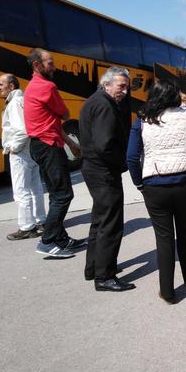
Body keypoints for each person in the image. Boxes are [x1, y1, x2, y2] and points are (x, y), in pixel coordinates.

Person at [127, 80, 186, 304]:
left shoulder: (142, 120)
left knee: (164, 238)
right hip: (185, 180)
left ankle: (168, 291)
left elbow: (132, 157)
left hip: (154, 183)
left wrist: (139, 182)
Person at [23, 48, 84, 258]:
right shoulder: (46, 86)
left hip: (41, 145)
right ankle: (47, 241)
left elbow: (52, 123)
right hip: (48, 147)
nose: (54, 67)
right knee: (64, 194)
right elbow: (65, 115)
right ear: (37, 65)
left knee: (56, 194)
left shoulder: (32, 86)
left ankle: (60, 238)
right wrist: (69, 141)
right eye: (50, 63)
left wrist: (70, 143)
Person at [79, 67, 135, 292]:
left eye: (126, 87)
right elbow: (105, 145)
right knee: (110, 223)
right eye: (121, 86)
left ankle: (94, 267)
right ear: (107, 84)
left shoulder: (97, 101)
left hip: (95, 168)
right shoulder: (104, 105)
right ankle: (104, 276)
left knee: (100, 220)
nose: (124, 91)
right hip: (103, 170)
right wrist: (123, 163)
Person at [0, 73, 46, 241]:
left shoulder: (14, 103)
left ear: (11, 86)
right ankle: (40, 221)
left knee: (21, 191)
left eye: (1, 84)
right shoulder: (24, 100)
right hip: (31, 150)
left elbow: (22, 130)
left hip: (21, 152)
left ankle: (27, 227)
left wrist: (13, 148)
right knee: (35, 188)